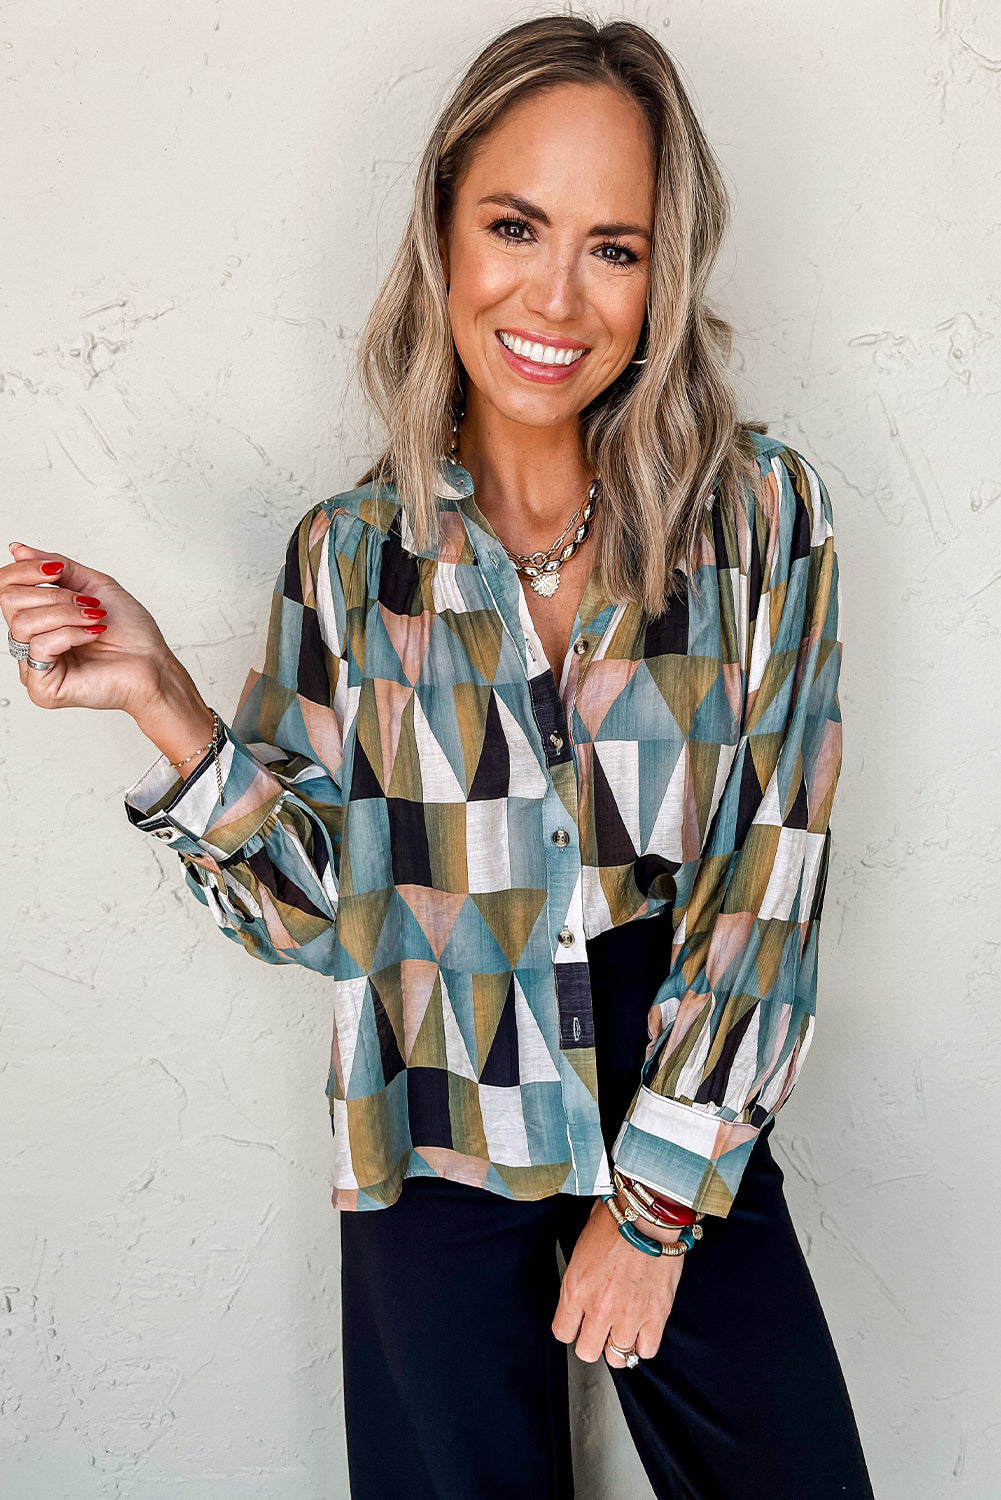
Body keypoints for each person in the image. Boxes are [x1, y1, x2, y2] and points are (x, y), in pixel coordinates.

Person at [2, 14, 875, 1499]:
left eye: (613, 246)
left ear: (665, 271)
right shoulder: (353, 559)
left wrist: (655, 1206)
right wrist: (163, 702)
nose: (556, 295)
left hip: (676, 1072)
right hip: (428, 1094)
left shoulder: (757, 520)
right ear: (442, 232)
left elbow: (771, 873)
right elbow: (316, 916)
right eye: (515, 226)